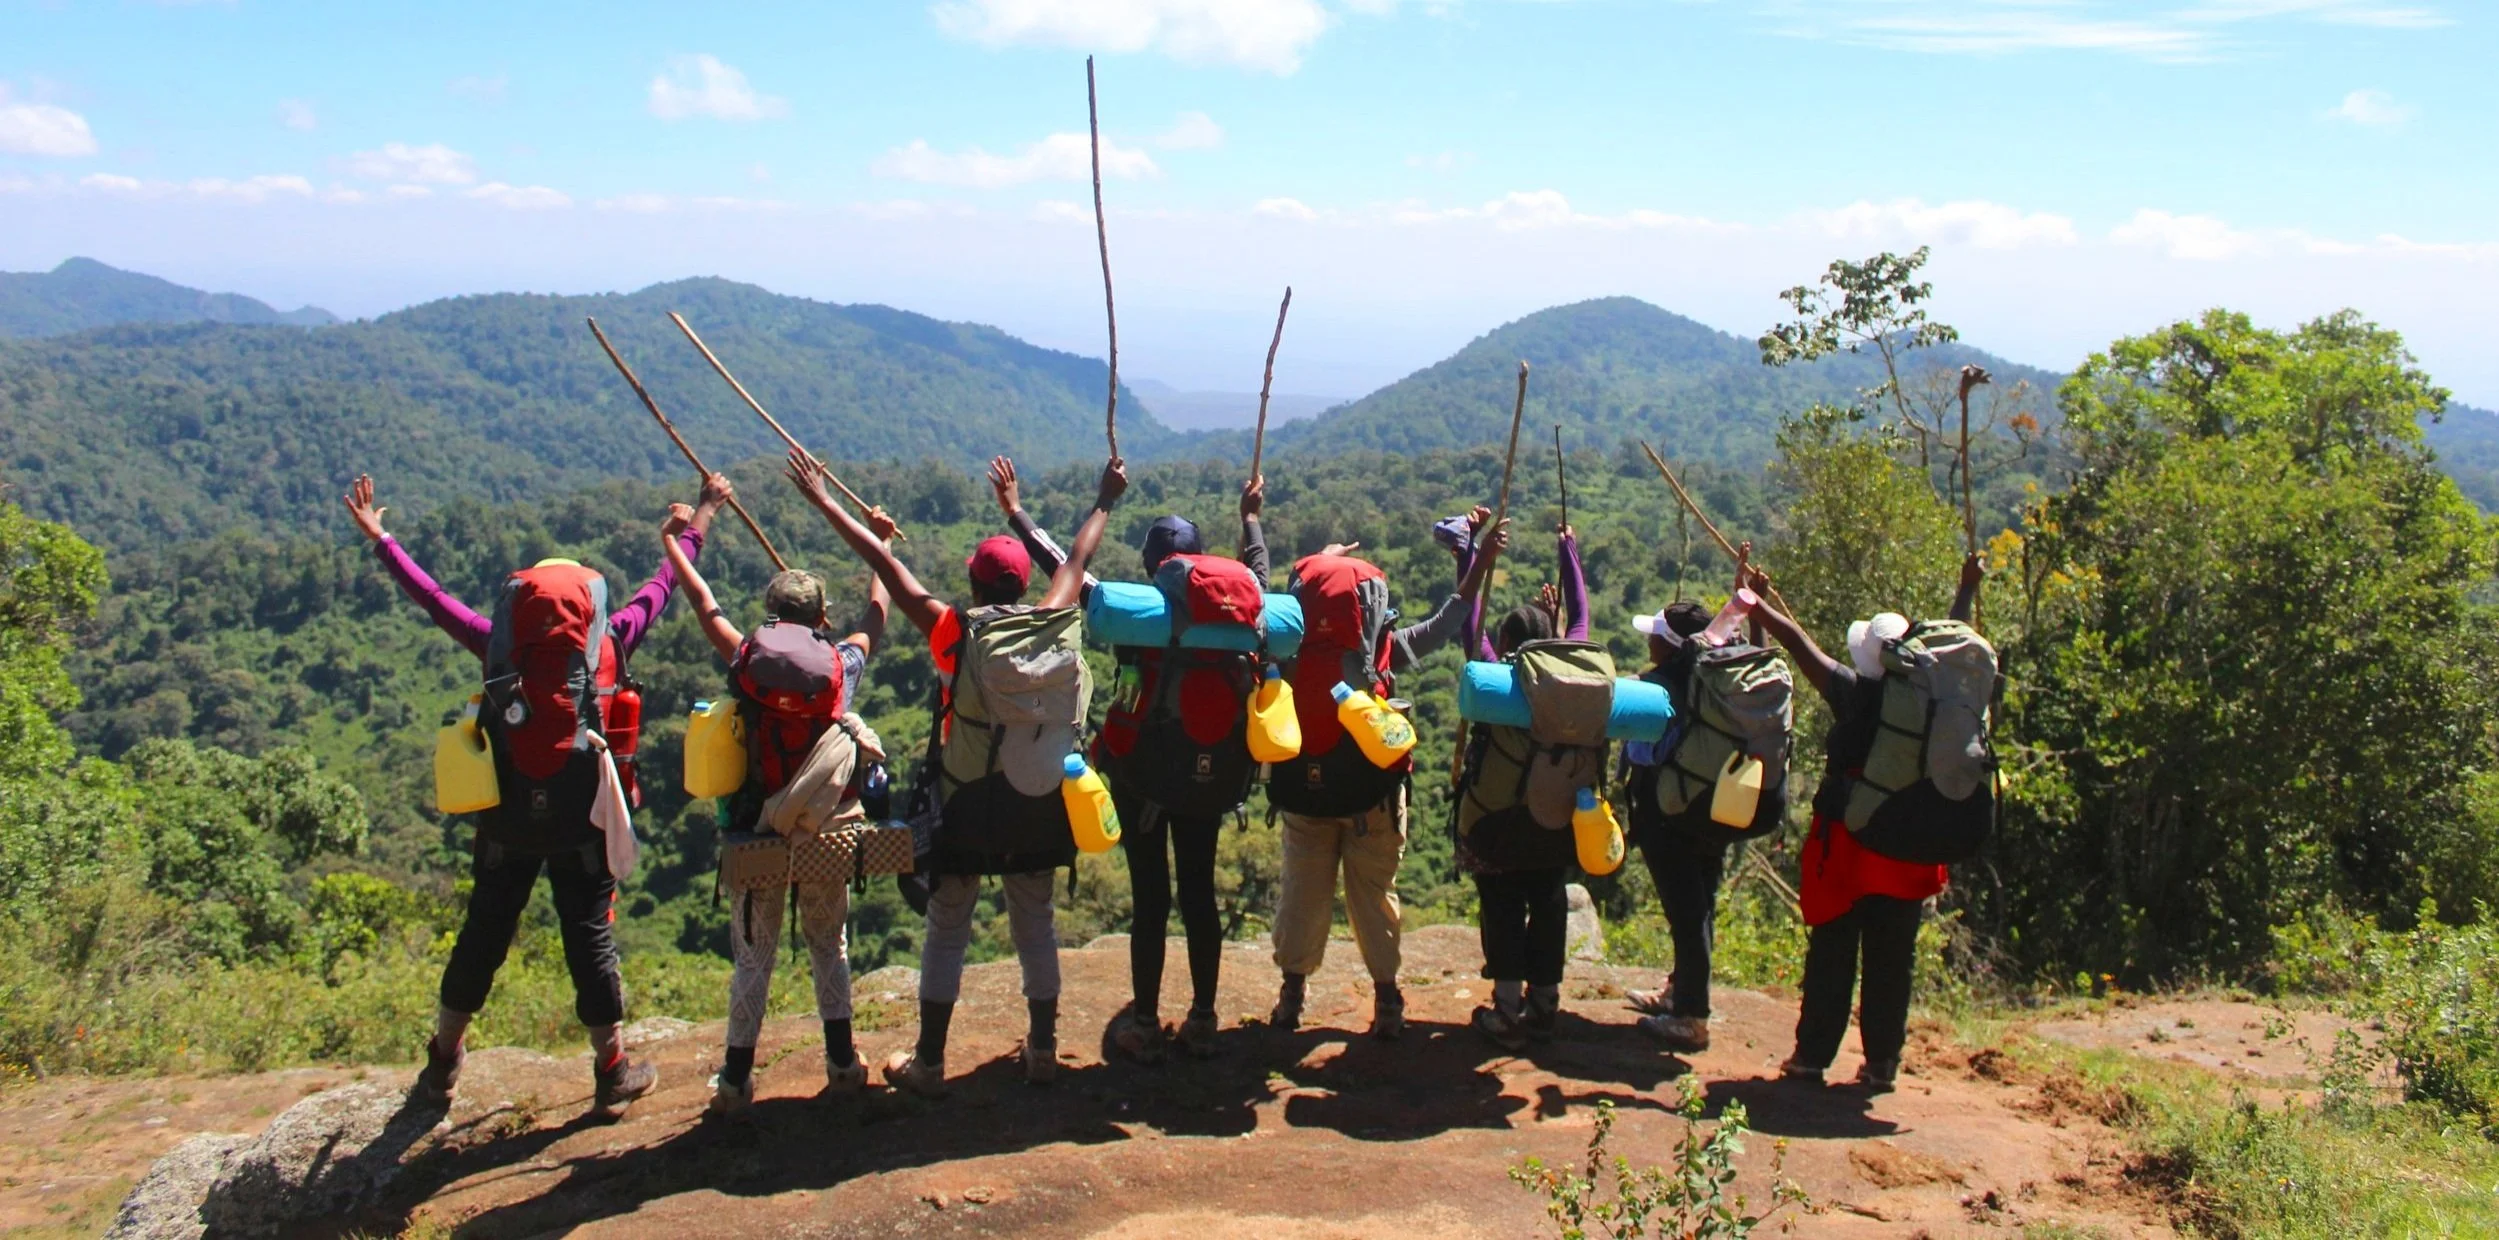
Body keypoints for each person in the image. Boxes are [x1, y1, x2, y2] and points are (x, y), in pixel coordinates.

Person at [344, 470, 730, 1121]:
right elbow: (665, 584)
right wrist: (703, 514)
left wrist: (381, 539)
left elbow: (431, 596)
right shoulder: (611, 641)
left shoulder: (497, 650)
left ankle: (442, 1065)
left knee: (483, 933)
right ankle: (611, 1071)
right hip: (584, 817)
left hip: (508, 820)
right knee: (590, 938)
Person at [789, 449, 1126, 1097]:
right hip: (1039, 799)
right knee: (1035, 922)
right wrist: (1104, 498)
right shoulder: (1052, 619)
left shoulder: (955, 630)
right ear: (1021, 586)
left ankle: (930, 1063)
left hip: (966, 804)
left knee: (948, 927)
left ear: (973, 585)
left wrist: (824, 500)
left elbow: (884, 565)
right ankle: (1044, 1051)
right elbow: (1078, 559)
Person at [988, 457, 1267, 1063]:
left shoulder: (1134, 613)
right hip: (1213, 774)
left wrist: (1018, 512)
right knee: (1199, 891)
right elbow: (1261, 576)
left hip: (1145, 778)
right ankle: (1203, 1019)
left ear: (1152, 567)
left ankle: (1144, 1022)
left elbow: (1064, 568)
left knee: (1152, 898)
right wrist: (1251, 520)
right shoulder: (1239, 614)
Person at [660, 501, 893, 1113]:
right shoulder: (840, 668)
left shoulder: (746, 661)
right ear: (820, 618)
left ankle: (736, 1084)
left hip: (756, 831)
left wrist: (674, 545)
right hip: (825, 830)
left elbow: (705, 604)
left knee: (753, 958)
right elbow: (876, 614)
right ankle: (842, 1066)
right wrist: (883, 547)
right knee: (829, 944)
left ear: (771, 616)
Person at [1745, 552, 1984, 1093]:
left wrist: (1755, 605)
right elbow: (1958, 636)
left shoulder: (1853, 692)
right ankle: (1882, 1065)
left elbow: (1798, 645)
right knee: (1892, 961)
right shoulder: (1935, 695)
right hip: (1910, 847)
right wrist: (1966, 586)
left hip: (1850, 846)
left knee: (1833, 952)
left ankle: (1811, 1059)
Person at [1264, 510, 1506, 1040]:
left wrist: (1306, 551)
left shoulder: (1284, 654)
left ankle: (1292, 995)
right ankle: (1388, 999)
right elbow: (1448, 621)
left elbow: (1256, 585)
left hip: (1304, 796)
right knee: (1375, 895)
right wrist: (1479, 562)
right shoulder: (1381, 655)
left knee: (1302, 896)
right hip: (1372, 795)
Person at [1621, 549, 1793, 1055]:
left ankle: (1691, 1018)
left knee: (1687, 912)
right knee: (1701, 904)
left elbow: (1637, 751)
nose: (1649, 640)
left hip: (1672, 812)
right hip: (1718, 805)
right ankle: (1680, 993)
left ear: (1670, 646)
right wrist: (1751, 607)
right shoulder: (1722, 676)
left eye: (1655, 635)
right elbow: (1751, 649)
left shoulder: (1657, 688)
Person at [1451, 516, 1594, 1052]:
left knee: (1503, 902)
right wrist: (1568, 549)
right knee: (1549, 900)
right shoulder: (1575, 683)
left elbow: (1469, 621)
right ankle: (1545, 1005)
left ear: (1508, 643)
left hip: (1497, 822)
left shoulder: (1499, 681)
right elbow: (1581, 617)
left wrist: (1470, 557)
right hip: (1556, 819)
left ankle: (1507, 1009)